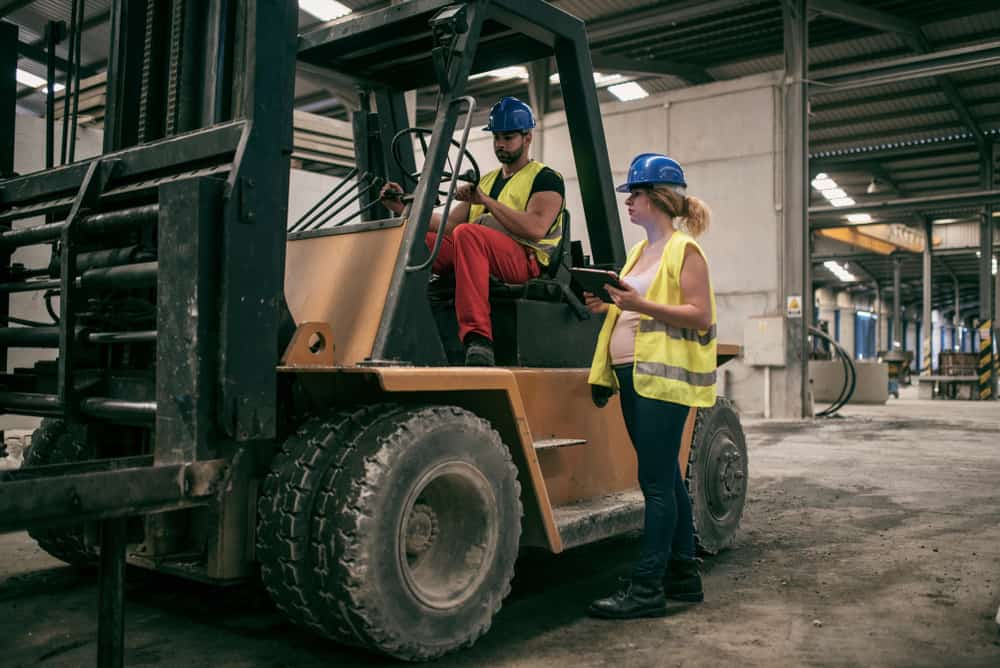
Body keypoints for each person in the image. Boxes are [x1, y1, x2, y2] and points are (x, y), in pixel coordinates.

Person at [585, 153, 716, 619]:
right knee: (667, 480)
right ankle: (684, 576)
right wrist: (612, 305)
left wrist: (640, 303)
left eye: (635, 194)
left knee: (655, 482)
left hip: (661, 379)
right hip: (633, 374)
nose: (629, 202)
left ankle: (646, 589)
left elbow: (701, 315)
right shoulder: (640, 252)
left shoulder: (685, 250)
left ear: (658, 197)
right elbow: (640, 305)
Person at [380, 96, 565, 366]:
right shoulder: (487, 180)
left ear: (527, 138)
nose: (500, 144)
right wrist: (404, 208)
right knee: (416, 240)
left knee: (469, 235)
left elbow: (535, 229)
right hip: (480, 251)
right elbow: (450, 227)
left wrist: (486, 201)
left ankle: (478, 339)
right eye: (496, 138)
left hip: (526, 260)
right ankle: (399, 327)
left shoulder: (546, 178)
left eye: (508, 138)